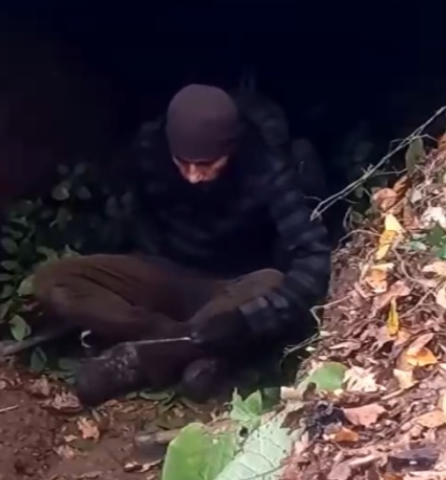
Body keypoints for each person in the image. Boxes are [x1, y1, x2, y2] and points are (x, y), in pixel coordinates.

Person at [33, 84, 331, 405]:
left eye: (206, 165)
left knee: (272, 282)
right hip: (163, 271)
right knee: (56, 281)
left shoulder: (268, 168)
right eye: (183, 162)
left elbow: (314, 259)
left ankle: (141, 357)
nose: (192, 176)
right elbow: (126, 210)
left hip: (231, 286)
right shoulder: (149, 146)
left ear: (232, 148)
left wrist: (245, 320)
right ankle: (188, 347)